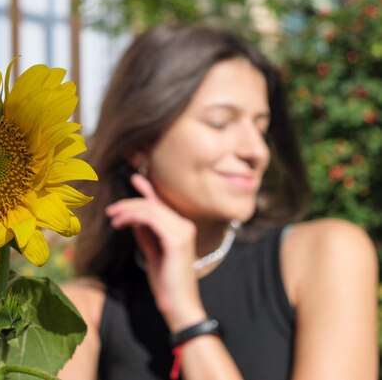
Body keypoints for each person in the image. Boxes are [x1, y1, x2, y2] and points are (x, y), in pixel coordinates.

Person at [58, 24, 378, 380]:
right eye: (220, 122)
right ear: (140, 144)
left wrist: (188, 317)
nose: (256, 151)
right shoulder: (80, 311)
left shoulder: (326, 255)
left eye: (261, 127)